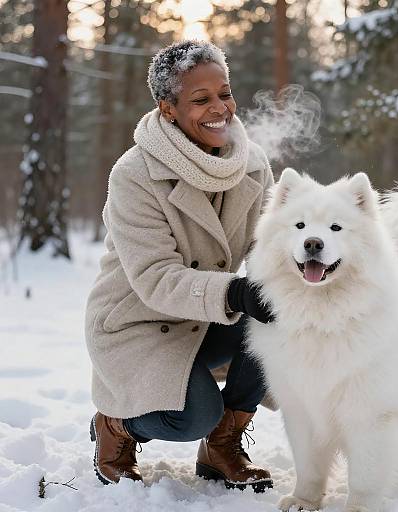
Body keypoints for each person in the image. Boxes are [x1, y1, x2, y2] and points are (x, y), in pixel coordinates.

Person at [84, 40, 275, 492]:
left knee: (284, 318)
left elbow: (274, 241)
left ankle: (222, 447)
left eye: (224, 93)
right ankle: (115, 425)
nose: (220, 108)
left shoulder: (252, 164)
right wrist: (235, 292)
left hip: (205, 318)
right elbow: (155, 277)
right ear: (167, 108)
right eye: (201, 99)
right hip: (139, 323)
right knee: (190, 416)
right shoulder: (134, 174)